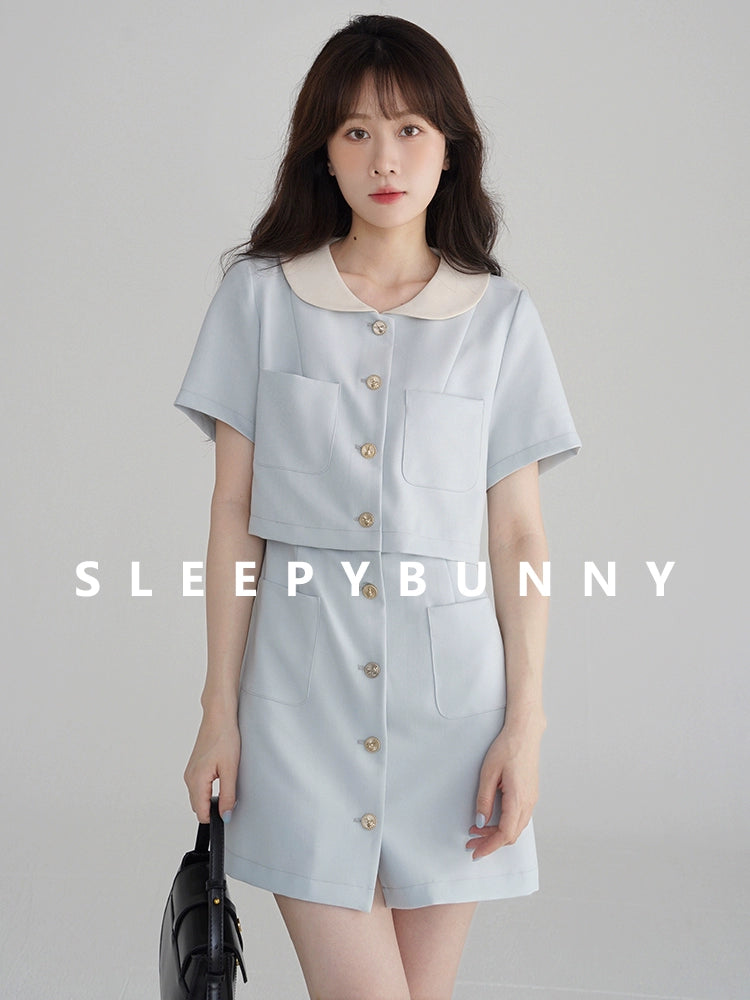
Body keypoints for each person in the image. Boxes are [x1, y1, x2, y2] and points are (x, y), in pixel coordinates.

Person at [174, 13, 581, 999]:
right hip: (300, 719)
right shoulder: (261, 300)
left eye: (409, 129)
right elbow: (234, 515)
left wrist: (524, 727)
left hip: (456, 728)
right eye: (356, 130)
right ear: (324, 150)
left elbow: (519, 535)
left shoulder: (500, 320)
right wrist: (217, 709)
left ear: (451, 148)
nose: (384, 158)